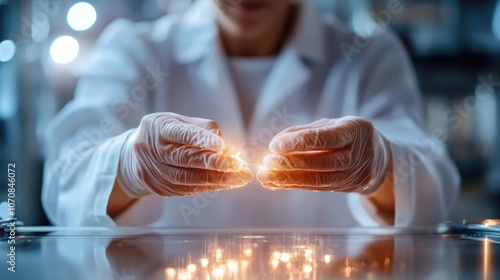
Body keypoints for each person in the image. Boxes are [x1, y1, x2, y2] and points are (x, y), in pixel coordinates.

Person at [42, 0, 460, 227]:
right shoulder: (136, 51)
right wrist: (129, 165)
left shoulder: (369, 56)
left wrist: (381, 165)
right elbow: (64, 182)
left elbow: (434, 188)